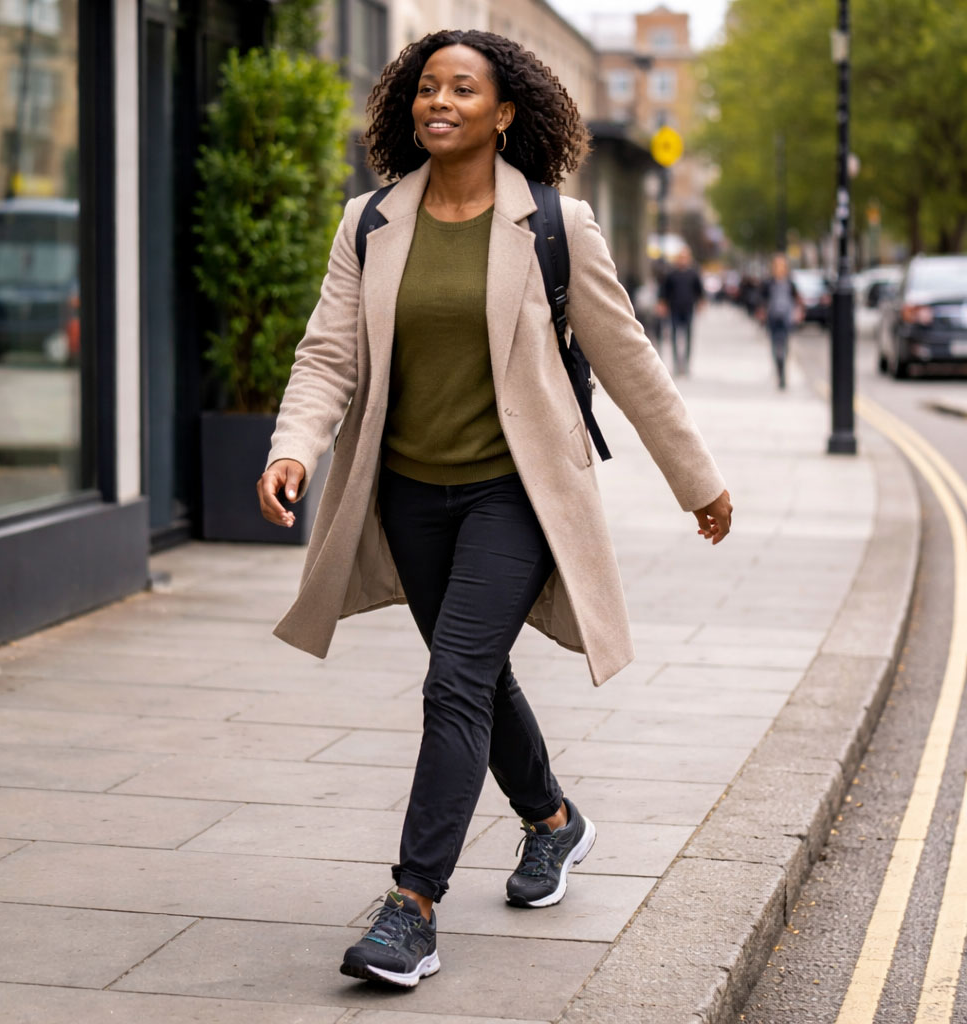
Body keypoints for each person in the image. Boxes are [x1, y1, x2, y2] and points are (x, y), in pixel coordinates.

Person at [256, 29, 732, 989]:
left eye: (462, 90)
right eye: (427, 88)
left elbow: (630, 358)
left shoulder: (556, 225)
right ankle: (554, 821)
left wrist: (699, 481)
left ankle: (412, 910)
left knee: (451, 686)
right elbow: (328, 354)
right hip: (408, 496)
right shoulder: (371, 222)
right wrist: (293, 447)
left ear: (504, 112)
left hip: (515, 494)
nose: (439, 102)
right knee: (471, 675)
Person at [657, 246, 704, 375]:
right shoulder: (671, 274)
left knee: (688, 337)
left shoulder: (693, 274)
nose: (683, 260)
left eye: (685, 257)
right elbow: (664, 291)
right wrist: (662, 304)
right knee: (674, 337)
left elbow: (699, 291)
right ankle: (677, 364)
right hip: (674, 309)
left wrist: (700, 304)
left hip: (688, 308)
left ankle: (686, 364)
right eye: (681, 257)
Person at [758, 254, 803, 389]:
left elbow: (797, 299)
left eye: (782, 266)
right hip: (772, 317)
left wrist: (798, 312)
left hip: (786, 318)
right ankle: (779, 371)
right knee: (774, 347)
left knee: (784, 346)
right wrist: (762, 311)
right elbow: (762, 299)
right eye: (777, 266)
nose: (779, 268)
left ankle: (783, 374)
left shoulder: (790, 282)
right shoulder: (769, 282)